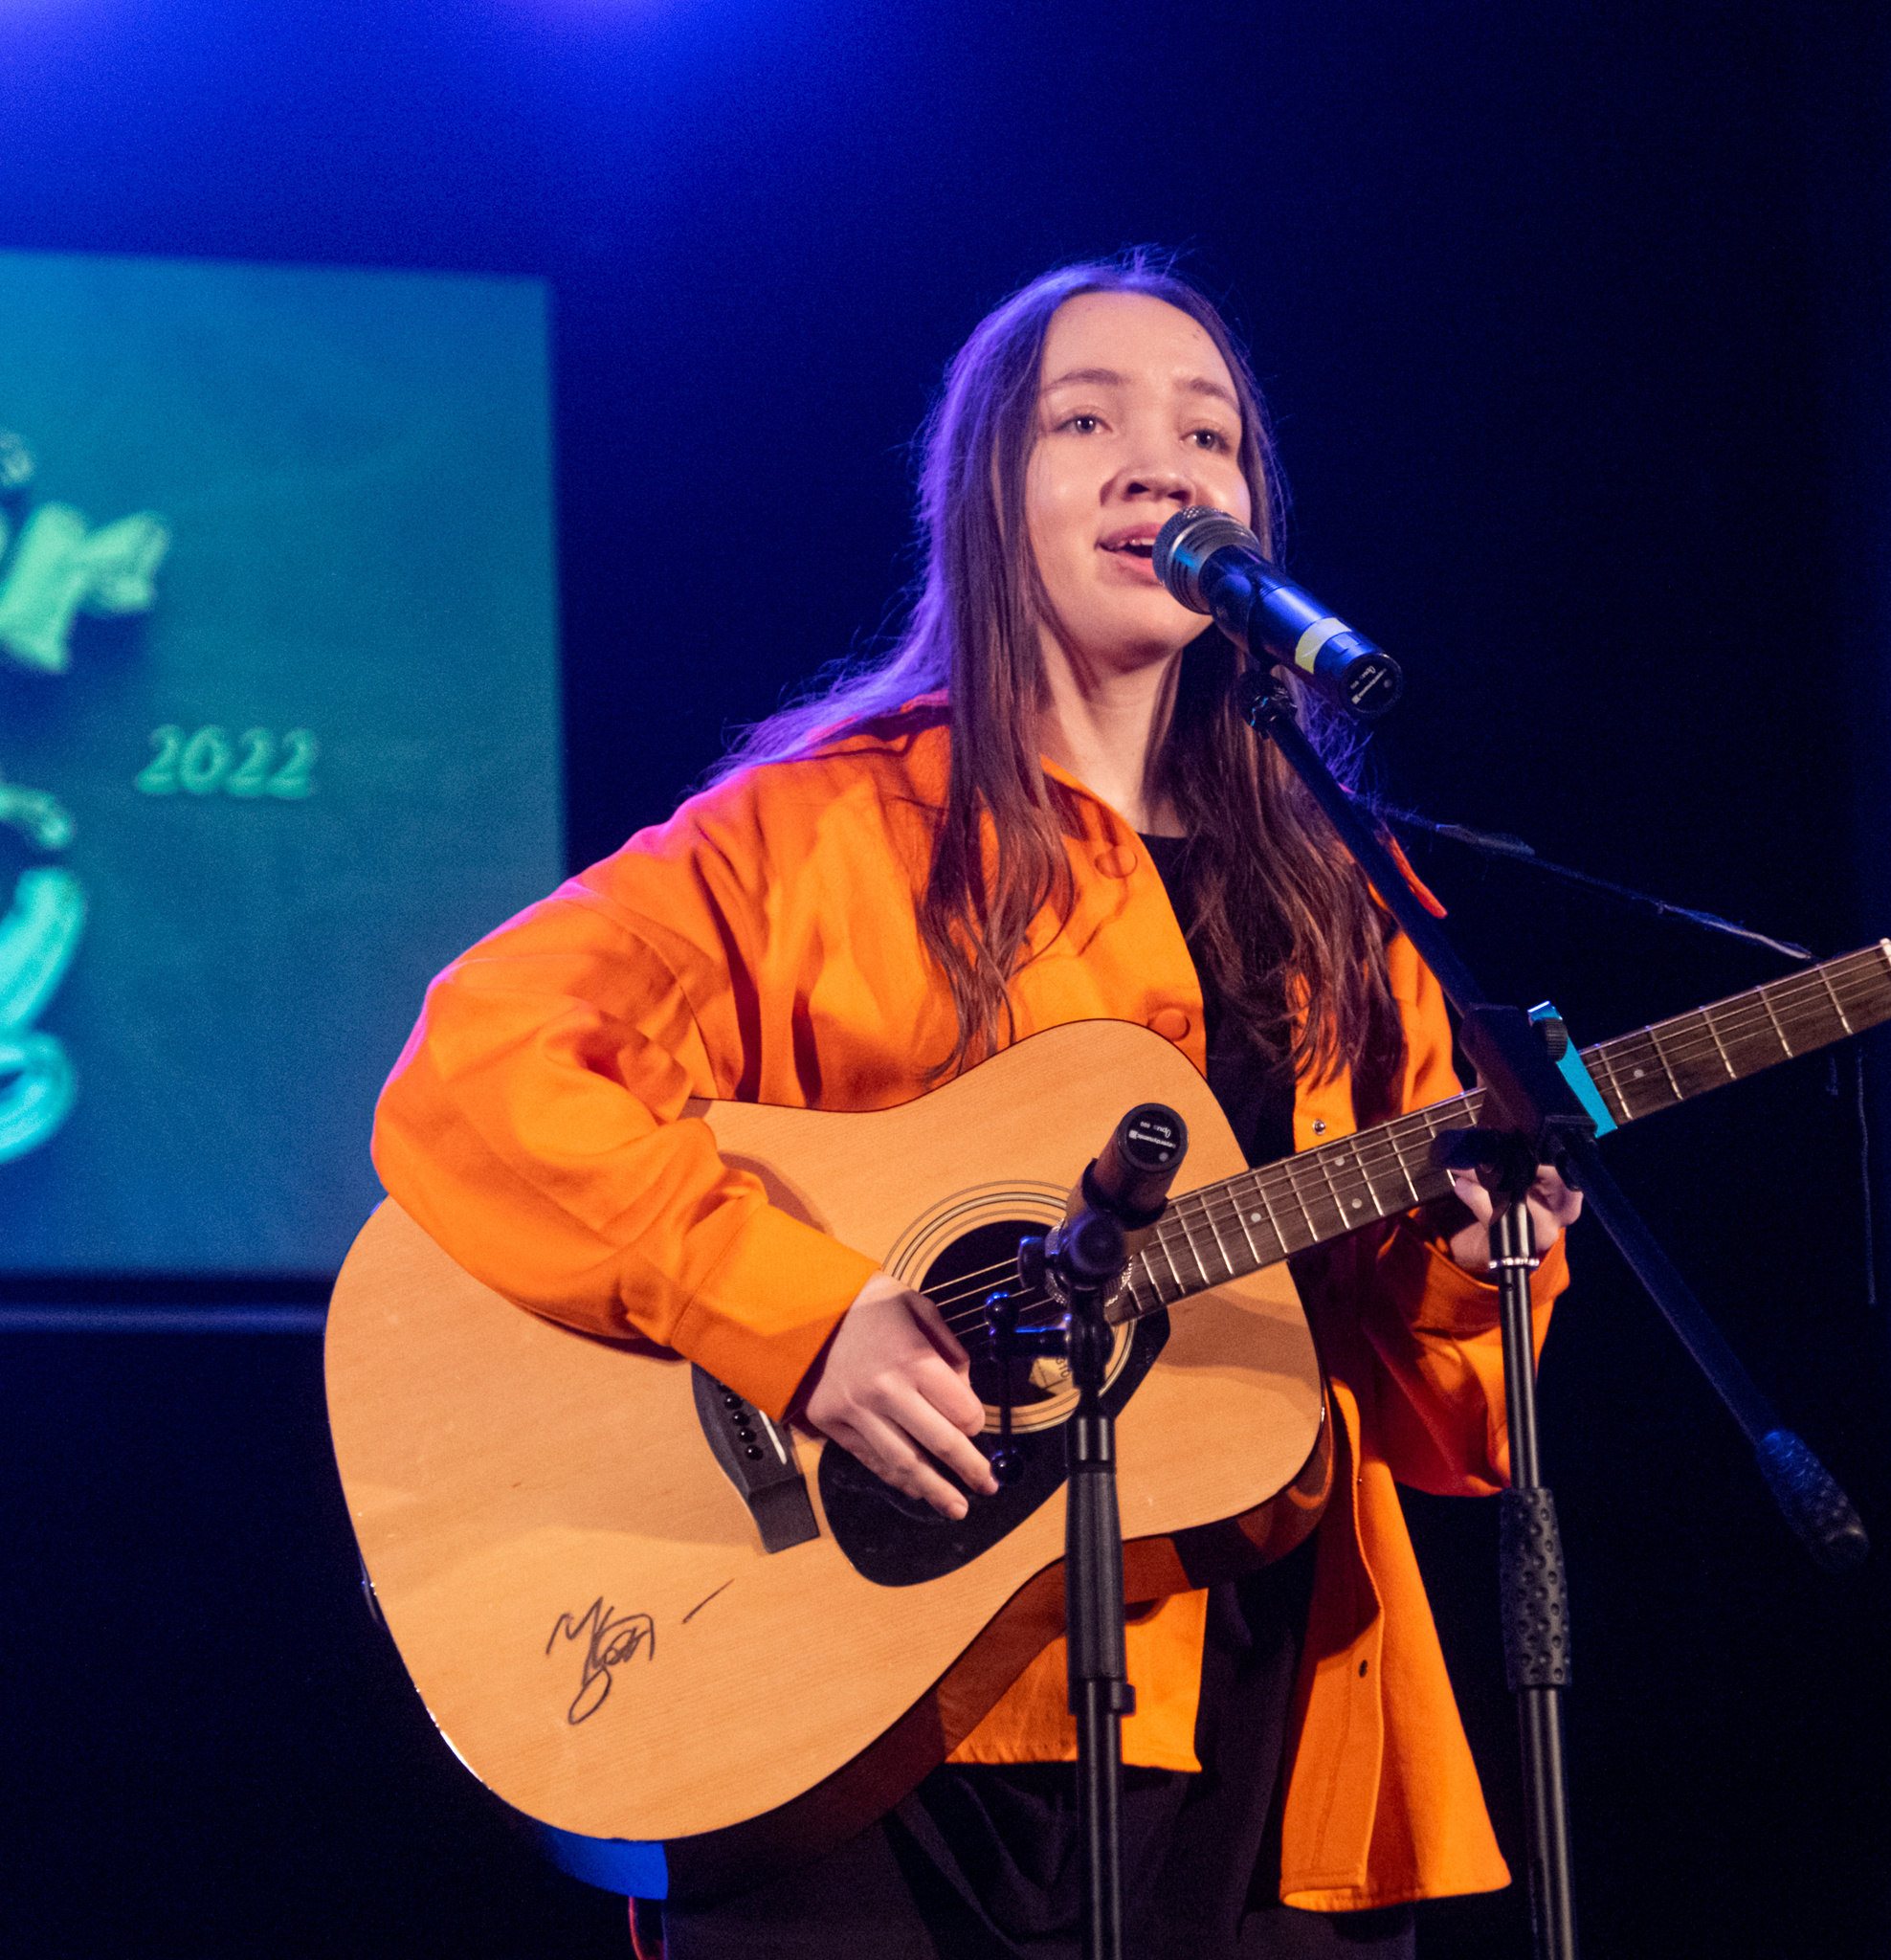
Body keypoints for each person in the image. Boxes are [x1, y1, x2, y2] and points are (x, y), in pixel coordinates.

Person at [371, 254, 1578, 1957]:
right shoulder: (812, 837)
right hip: (851, 1707)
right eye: (1088, 419)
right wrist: (799, 1315)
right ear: (983, 497)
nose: (1165, 467)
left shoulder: (1344, 908)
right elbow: (481, 1062)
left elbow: (1452, 1412)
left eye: (1211, 435)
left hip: (1261, 1714)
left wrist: (1477, 1261)